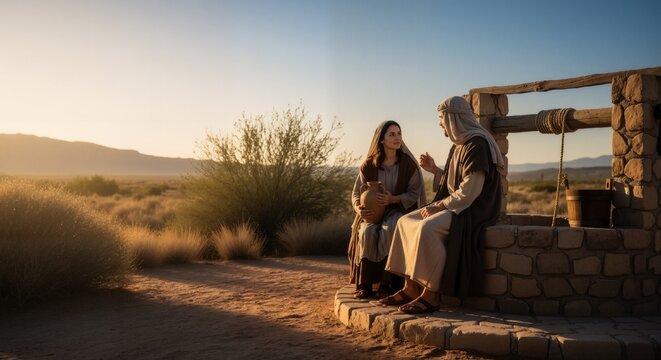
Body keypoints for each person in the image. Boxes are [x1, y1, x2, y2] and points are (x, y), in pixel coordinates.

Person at [379, 96, 504, 314]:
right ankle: (410, 287)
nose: (440, 123)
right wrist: (436, 171)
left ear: (453, 118)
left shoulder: (477, 144)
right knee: (405, 221)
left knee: (427, 228)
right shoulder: (459, 146)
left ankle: (431, 294)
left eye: (441, 118)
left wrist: (440, 206)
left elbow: (470, 190)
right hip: (458, 204)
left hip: (474, 209)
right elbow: (451, 181)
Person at [348, 120, 427, 299]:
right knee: (367, 232)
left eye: (399, 134)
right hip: (372, 213)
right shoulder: (369, 165)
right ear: (381, 139)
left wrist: (394, 199)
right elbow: (355, 194)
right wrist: (359, 209)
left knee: (389, 229)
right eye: (392, 134)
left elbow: (415, 193)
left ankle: (387, 283)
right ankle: (365, 285)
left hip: (398, 210)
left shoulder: (408, 164)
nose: (397, 138)